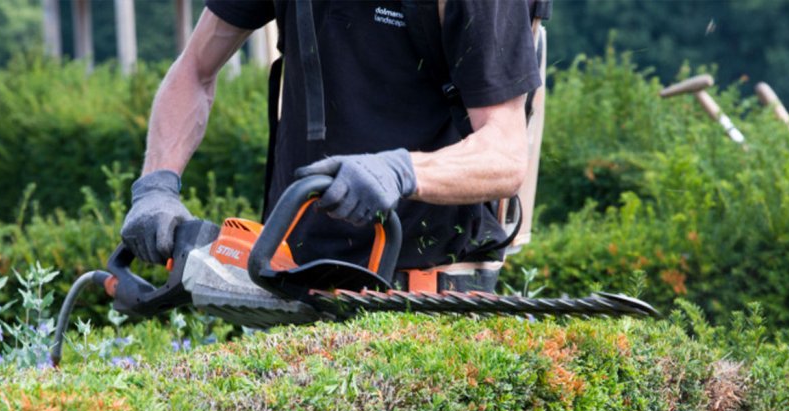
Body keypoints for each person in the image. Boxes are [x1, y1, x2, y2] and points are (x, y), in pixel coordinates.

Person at [121, 0, 541, 292]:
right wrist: (156, 184)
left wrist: (401, 172)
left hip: (425, 293)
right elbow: (194, 69)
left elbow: (504, 154)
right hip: (289, 277)